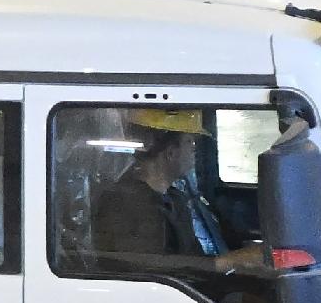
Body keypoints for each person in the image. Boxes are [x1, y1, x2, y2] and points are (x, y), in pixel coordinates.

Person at [85, 106, 257, 275]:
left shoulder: (175, 199)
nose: (194, 150)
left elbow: (192, 259)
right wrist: (225, 263)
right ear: (171, 152)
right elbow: (145, 266)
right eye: (190, 141)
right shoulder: (123, 203)